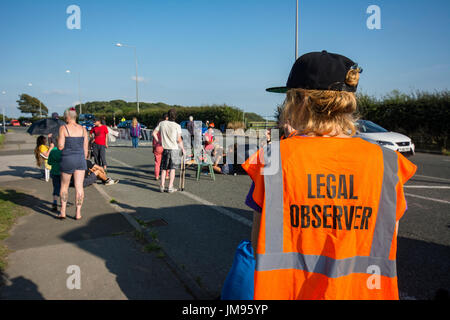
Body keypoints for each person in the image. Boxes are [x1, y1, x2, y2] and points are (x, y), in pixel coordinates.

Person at [242, 51, 417, 300]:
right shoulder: (387, 163)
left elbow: (258, 242)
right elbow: (389, 238)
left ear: (301, 101)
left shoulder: (273, 159)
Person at [58, 108, 88, 220]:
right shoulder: (83, 129)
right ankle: (78, 213)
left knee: (64, 186)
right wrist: (83, 158)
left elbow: (60, 146)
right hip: (80, 159)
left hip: (67, 159)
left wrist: (56, 140)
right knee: (79, 187)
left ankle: (63, 211)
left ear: (68, 117)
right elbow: (86, 148)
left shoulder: (63, 128)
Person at [152, 109, 185, 193]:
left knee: (163, 169)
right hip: (174, 149)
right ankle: (170, 187)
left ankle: (162, 186)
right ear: (175, 116)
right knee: (172, 169)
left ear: (168, 115)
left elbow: (154, 133)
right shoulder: (177, 126)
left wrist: (159, 141)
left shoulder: (162, 123)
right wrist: (183, 149)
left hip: (165, 148)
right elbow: (179, 139)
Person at [47, 145, 62, 212]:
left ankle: (55, 202)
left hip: (54, 172)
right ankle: (63, 203)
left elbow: (49, 162)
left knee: (56, 187)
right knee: (63, 188)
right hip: (63, 172)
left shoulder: (53, 151)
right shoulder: (64, 150)